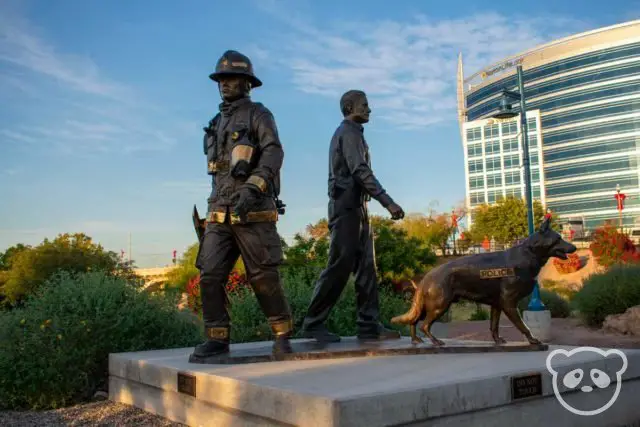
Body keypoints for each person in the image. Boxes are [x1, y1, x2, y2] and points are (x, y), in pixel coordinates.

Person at [191, 50, 293, 359]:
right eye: (221, 79)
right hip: (218, 210)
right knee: (209, 275)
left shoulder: (259, 114)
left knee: (262, 277)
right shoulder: (214, 122)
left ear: (247, 83)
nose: (225, 84)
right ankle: (217, 336)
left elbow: (274, 152)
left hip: (253, 210)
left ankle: (282, 332)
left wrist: (254, 186)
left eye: (231, 78)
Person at [300, 89, 406, 343]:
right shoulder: (347, 133)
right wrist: (388, 202)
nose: (370, 109)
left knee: (367, 268)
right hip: (345, 209)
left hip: (358, 208)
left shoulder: (355, 134)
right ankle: (313, 322)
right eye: (364, 105)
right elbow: (360, 170)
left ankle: (369, 325)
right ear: (350, 108)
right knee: (339, 266)